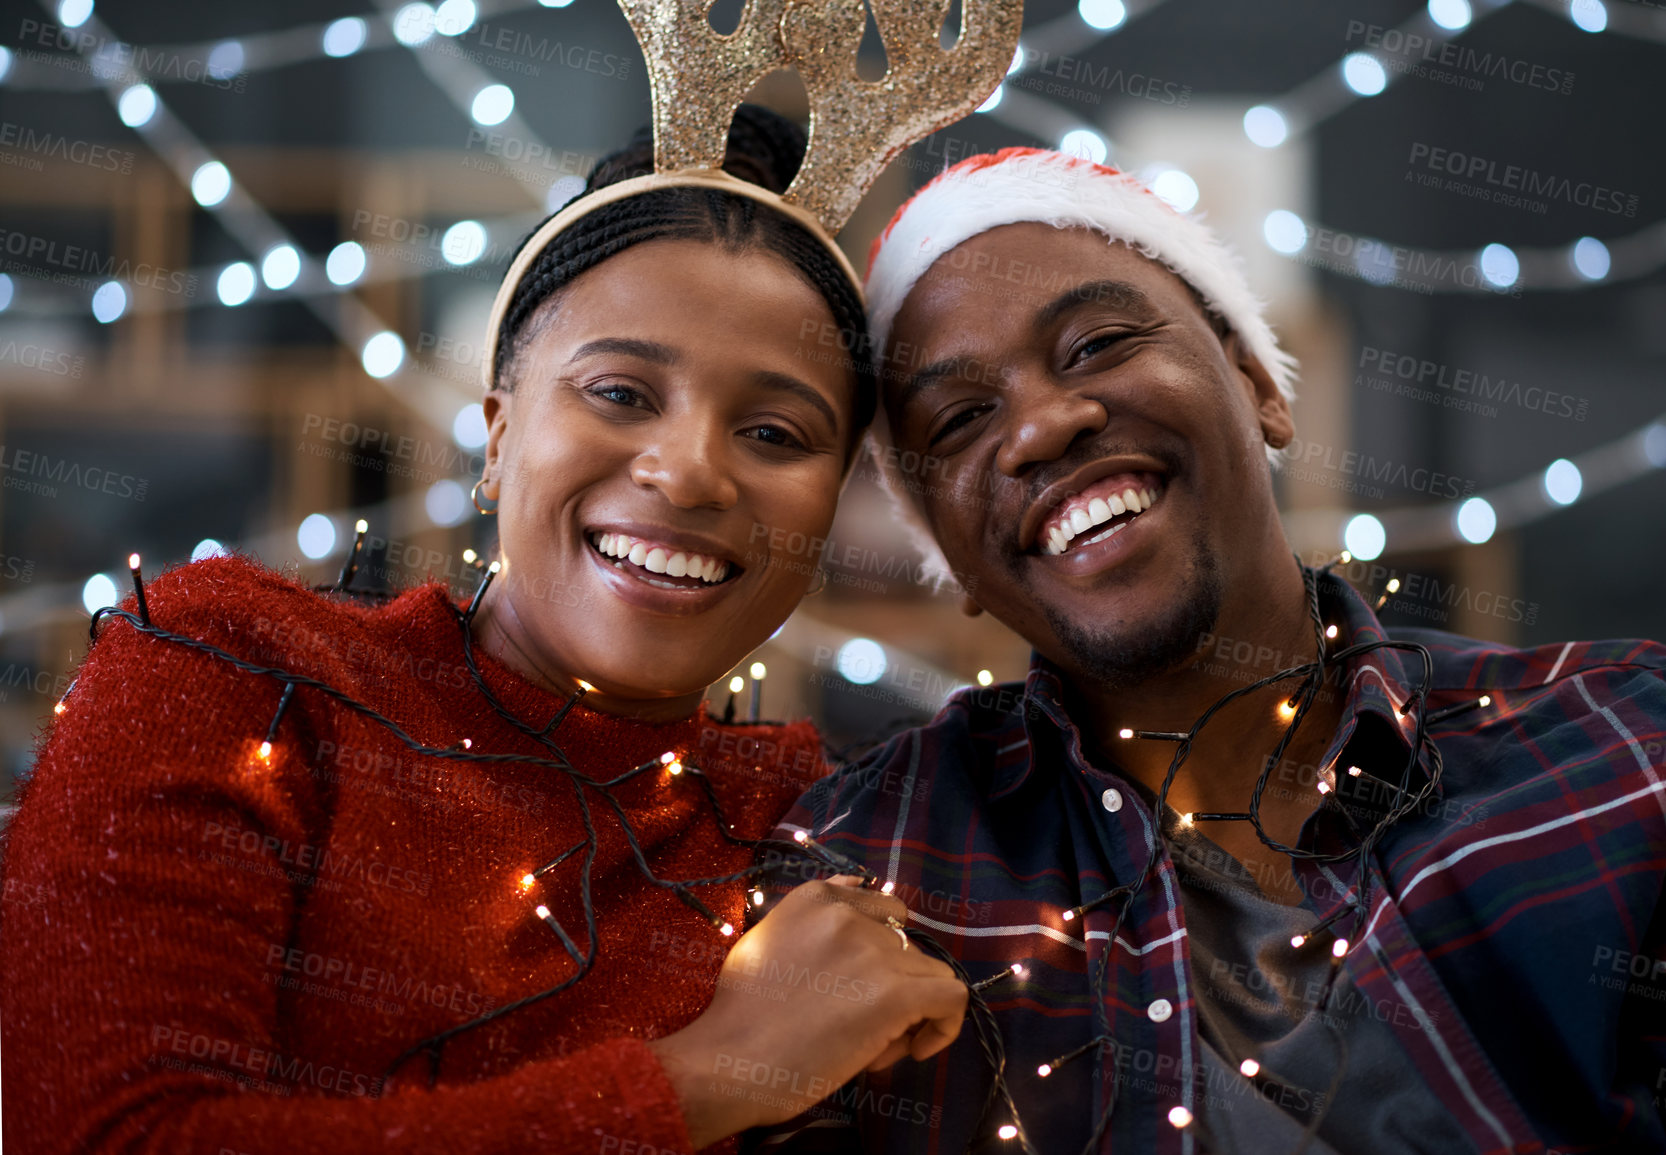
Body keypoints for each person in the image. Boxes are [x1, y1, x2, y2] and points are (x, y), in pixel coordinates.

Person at [0, 108, 968, 1155]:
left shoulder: (808, 828)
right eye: (620, 392)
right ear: (500, 435)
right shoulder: (236, 671)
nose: (689, 472)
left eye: (777, 433)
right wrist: (704, 1079)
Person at [756, 148, 1666, 1154]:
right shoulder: (869, 870)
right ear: (948, 558)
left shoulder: (1647, 751)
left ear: (1260, 383)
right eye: (960, 419)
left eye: (1096, 344)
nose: (1044, 425)